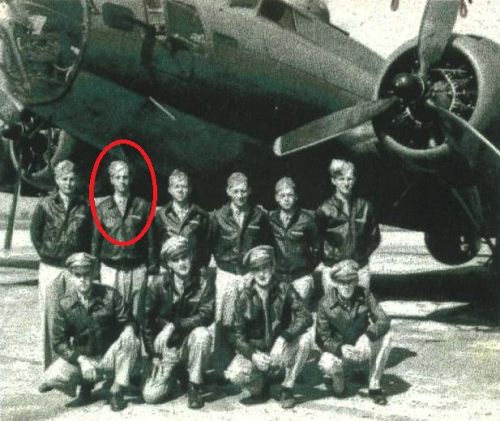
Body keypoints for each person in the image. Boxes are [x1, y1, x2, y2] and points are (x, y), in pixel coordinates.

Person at [39, 252, 141, 412]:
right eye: (77, 275)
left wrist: (129, 329)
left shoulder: (110, 295)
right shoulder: (64, 304)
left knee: (131, 340)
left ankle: (116, 390)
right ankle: (86, 386)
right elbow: (59, 343)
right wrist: (80, 360)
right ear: (71, 276)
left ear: (93, 274)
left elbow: (128, 320)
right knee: (51, 377)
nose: (82, 279)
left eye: (86, 274)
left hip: (109, 357)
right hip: (85, 359)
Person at [225, 246, 313, 409]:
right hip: (258, 354)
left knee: (306, 339)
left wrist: (283, 338)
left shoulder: (284, 288)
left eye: (265, 267)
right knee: (234, 373)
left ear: (272, 267)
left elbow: (305, 316)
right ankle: (261, 387)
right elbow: (236, 335)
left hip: (279, 352)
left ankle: (287, 387)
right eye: (256, 269)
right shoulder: (245, 296)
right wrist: (253, 354)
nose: (262, 274)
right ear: (251, 272)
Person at [30, 159, 92, 369]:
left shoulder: (84, 206)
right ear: (56, 180)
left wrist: (85, 263)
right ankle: (50, 369)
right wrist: (47, 254)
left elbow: (90, 236)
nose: (69, 183)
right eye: (64, 179)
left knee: (77, 318)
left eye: (72, 179)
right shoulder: (45, 204)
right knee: (50, 318)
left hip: (75, 270)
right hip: (51, 268)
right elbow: (35, 233)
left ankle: (75, 369)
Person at [142, 236, 215, 409]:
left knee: (203, 334)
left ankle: (194, 386)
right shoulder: (157, 284)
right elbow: (147, 322)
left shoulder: (204, 281)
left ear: (191, 256)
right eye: (175, 260)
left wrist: (174, 325)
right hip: (167, 347)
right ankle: (176, 373)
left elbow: (206, 315)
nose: (182, 263)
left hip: (190, 343)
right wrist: (154, 355)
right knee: (150, 396)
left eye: (184, 257)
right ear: (168, 264)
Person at [91, 160, 158, 327]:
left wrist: (152, 271)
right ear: (112, 180)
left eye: (125, 177)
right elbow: (95, 244)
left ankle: (135, 345)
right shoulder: (102, 209)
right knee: (110, 317)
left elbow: (152, 243)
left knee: (136, 318)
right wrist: (95, 274)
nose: (122, 181)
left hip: (137, 270)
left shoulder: (143, 206)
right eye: (118, 177)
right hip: (110, 270)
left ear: (130, 179)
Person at [315, 260, 392, 405]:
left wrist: (368, 335)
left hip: (360, 347)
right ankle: (338, 378)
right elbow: (321, 337)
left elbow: (384, 320)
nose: (346, 286)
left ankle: (374, 386)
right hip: (340, 352)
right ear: (335, 283)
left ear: (356, 281)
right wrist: (340, 348)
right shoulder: (325, 303)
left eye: (350, 282)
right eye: (342, 282)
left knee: (387, 337)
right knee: (327, 364)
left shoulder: (365, 295)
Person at [316, 159, 380, 294]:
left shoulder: (365, 206)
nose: (346, 183)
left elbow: (374, 237)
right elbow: (316, 240)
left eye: (349, 179)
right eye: (341, 179)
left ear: (354, 180)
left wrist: (360, 258)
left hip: (359, 269)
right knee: (332, 306)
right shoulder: (324, 209)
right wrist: (330, 262)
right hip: (333, 269)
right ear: (333, 181)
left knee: (361, 305)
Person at [269, 177, 320, 302]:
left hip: (301, 277)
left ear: (296, 197)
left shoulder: (306, 219)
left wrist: (308, 268)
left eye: (290, 195)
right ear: (276, 198)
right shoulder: (270, 220)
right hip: (278, 276)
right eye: (282, 195)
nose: (286, 199)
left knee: (299, 308)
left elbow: (318, 247)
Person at [155, 169, 210, 272]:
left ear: (190, 189)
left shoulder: (200, 215)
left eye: (184, 186)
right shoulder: (160, 214)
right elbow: (154, 244)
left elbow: (206, 245)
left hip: (194, 269)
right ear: (169, 190)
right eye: (176, 187)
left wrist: (202, 266)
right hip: (168, 268)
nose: (180, 190)